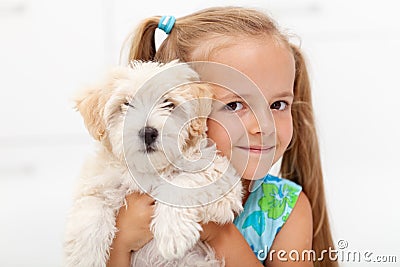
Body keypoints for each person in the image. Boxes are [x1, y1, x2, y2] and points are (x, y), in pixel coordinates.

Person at [107, 6, 337, 267]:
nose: (264, 126)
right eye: (234, 105)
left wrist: (216, 231)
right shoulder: (132, 199)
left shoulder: (284, 208)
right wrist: (121, 241)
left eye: (278, 105)